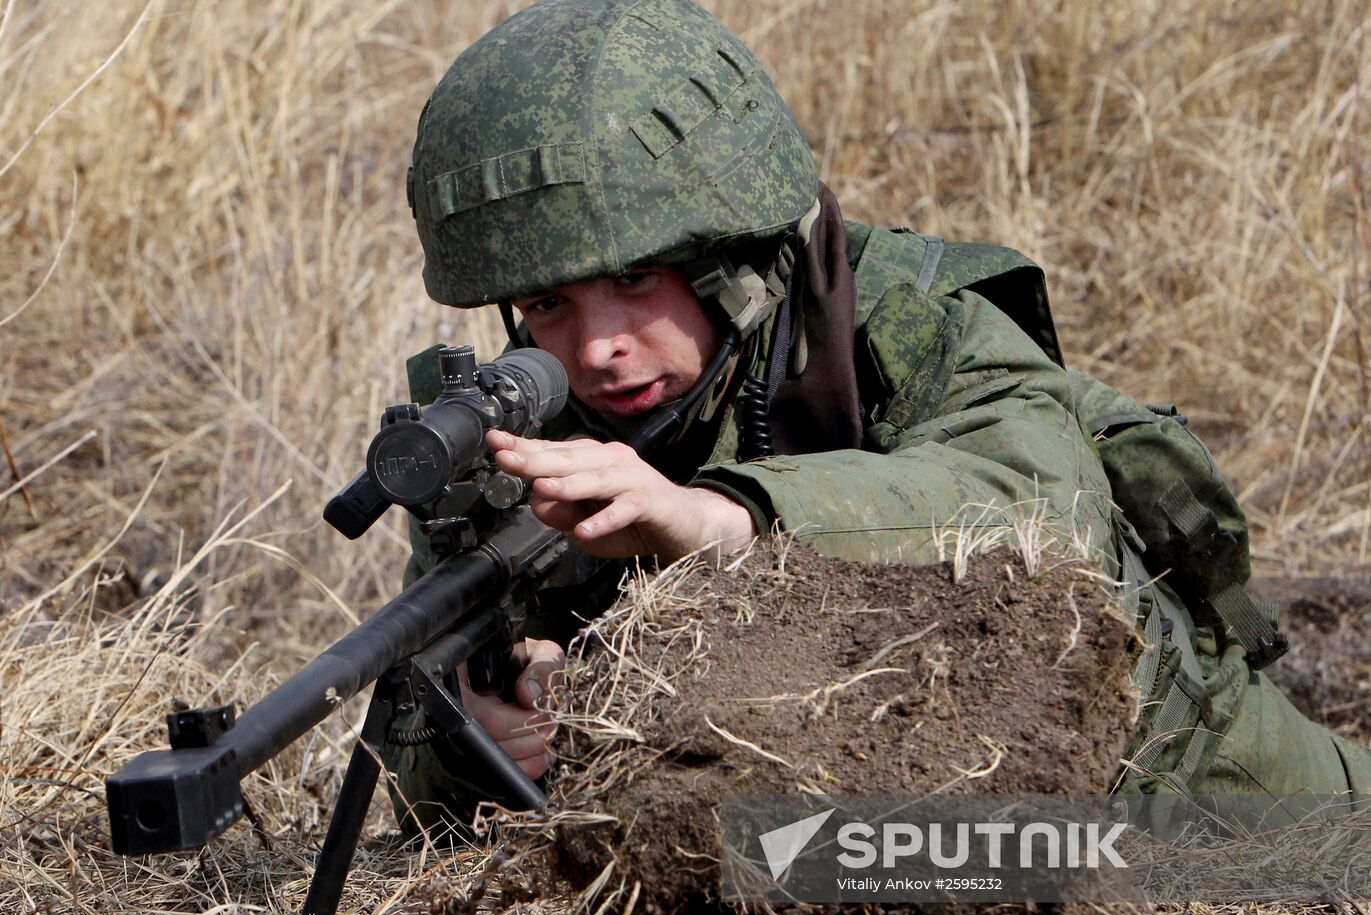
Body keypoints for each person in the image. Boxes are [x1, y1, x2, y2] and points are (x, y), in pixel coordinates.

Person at [383, 0, 1371, 836]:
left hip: (1180, 789)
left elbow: (1035, 501)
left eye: (635, 278)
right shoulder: (510, 424)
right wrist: (478, 732)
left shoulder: (901, 311)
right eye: (547, 303)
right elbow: (410, 759)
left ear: (731, 251)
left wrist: (722, 519)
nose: (596, 346)